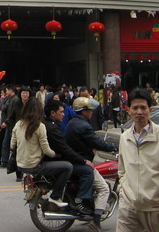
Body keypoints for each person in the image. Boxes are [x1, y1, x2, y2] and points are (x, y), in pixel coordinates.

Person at [116, 88, 159, 232]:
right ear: (129, 110)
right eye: (135, 108)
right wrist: (123, 190)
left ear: (150, 110)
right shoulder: (125, 137)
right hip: (128, 206)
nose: (139, 112)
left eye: (143, 108)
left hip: (155, 206)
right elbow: (122, 170)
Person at [65, 96, 118, 230]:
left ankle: (89, 206)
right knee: (104, 188)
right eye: (90, 110)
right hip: (81, 161)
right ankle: (96, 221)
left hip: (74, 159)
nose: (92, 112)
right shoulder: (84, 126)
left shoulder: (73, 122)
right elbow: (98, 142)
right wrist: (114, 147)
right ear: (84, 111)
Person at [10, 96, 72, 208]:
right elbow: (46, 150)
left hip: (20, 165)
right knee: (67, 167)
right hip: (35, 166)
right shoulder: (40, 126)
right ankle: (55, 196)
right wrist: (57, 155)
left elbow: (12, 145)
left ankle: (42, 188)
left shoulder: (18, 124)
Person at [44, 99, 96, 221]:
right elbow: (65, 150)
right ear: (53, 113)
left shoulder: (52, 125)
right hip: (55, 162)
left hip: (56, 159)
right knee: (87, 171)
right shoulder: (52, 128)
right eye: (61, 112)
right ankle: (79, 201)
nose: (64, 114)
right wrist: (83, 161)